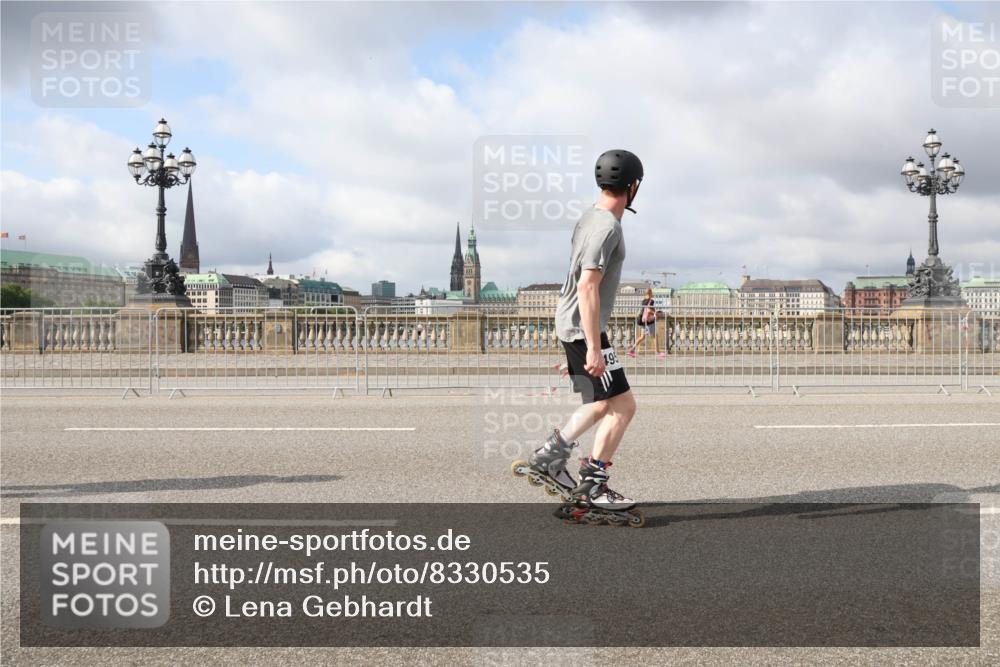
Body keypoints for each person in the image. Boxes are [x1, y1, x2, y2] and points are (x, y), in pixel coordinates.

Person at [516, 149, 643, 524]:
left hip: (573, 325)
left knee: (603, 402)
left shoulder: (589, 218)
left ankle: (548, 457)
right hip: (584, 328)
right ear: (632, 187)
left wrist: (577, 343)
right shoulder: (607, 227)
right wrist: (591, 347)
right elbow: (588, 286)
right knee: (624, 406)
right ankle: (594, 484)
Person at [627, 287, 663, 358]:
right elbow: (649, 310)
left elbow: (644, 310)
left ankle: (631, 350)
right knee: (655, 337)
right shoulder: (651, 301)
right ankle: (658, 353)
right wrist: (655, 313)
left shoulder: (643, 301)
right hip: (649, 322)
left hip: (643, 321)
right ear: (650, 293)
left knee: (642, 337)